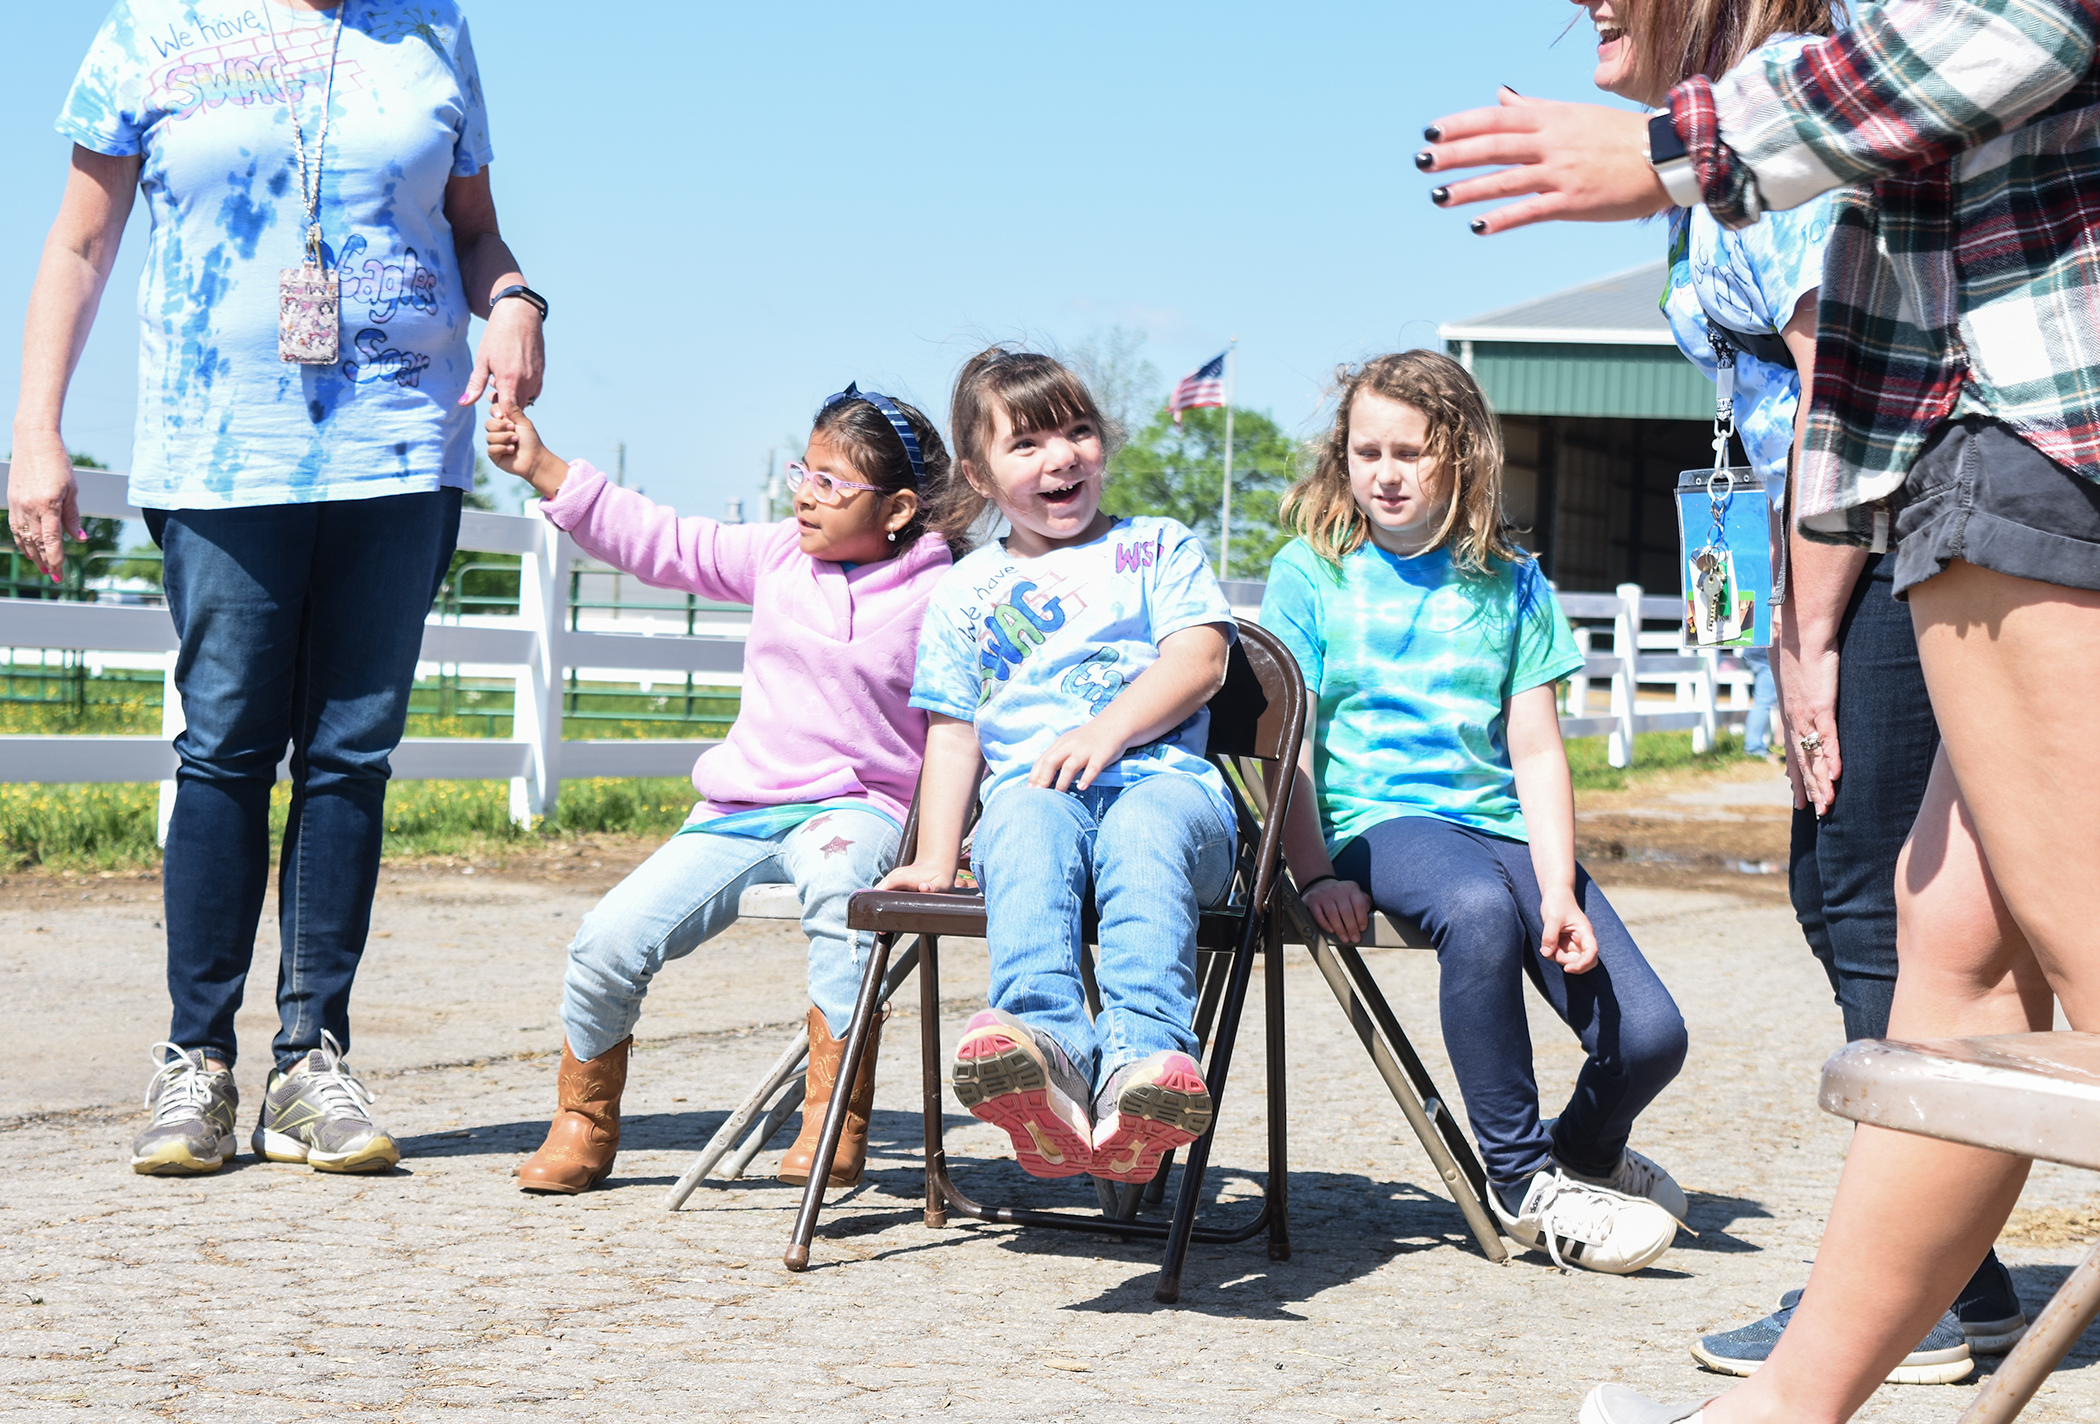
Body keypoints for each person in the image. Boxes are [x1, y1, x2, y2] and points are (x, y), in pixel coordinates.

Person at [1421, 0, 2100, 1419]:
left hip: (2020, 446)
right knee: (1953, 951)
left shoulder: (1780, 118)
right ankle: (1792, 1406)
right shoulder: (1838, 67)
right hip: (1962, 474)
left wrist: (1673, 151)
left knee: (1997, 944)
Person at [11, 0, 544, 1177]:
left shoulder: (431, 24)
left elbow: (478, 231)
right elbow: (79, 243)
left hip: (399, 444)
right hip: (222, 443)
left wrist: (515, 298)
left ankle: (312, 1063)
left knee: (353, 753)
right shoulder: (156, 21)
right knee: (228, 746)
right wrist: (36, 431)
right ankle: (196, 1061)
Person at [1568, 0, 2025, 1377]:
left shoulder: (1769, 107)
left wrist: (1807, 629)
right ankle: (1965, 1271)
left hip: (1891, 543)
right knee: (1865, 895)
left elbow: (1850, 376)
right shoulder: (1753, 127)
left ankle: (1924, 1295)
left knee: (1877, 897)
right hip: (1863, 547)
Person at [1260, 349, 1688, 1275]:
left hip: (1495, 824)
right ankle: (1523, 1183)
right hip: (1377, 826)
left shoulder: (1512, 578)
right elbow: (1285, 739)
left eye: (1409, 451)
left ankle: (1582, 1153)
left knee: (1652, 1037)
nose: (1385, 472)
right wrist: (1315, 870)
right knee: (1480, 911)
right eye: (1365, 451)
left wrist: (1560, 888)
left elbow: (1535, 750)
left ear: (1459, 455)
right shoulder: (1311, 570)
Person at [486, 388, 955, 1194]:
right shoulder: (778, 554)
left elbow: (982, 720)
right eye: (803, 471)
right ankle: (584, 1123)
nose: (806, 492)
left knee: (846, 903)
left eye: (834, 483)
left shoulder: (946, 593)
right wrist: (544, 467)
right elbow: (664, 542)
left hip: (858, 808)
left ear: (900, 507)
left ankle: (833, 1116)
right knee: (607, 938)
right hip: (743, 809)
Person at [879, 347, 1236, 1200]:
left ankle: (1143, 1070)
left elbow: (1203, 660)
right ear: (979, 471)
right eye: (1028, 443)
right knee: (1022, 819)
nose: (1060, 457)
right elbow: (955, 733)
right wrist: (936, 856)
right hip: (1039, 803)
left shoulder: (1155, 548)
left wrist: (1108, 731)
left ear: (1103, 445)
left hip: (1170, 797)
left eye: (1077, 433)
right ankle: (1046, 1063)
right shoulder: (968, 590)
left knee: (1144, 831)